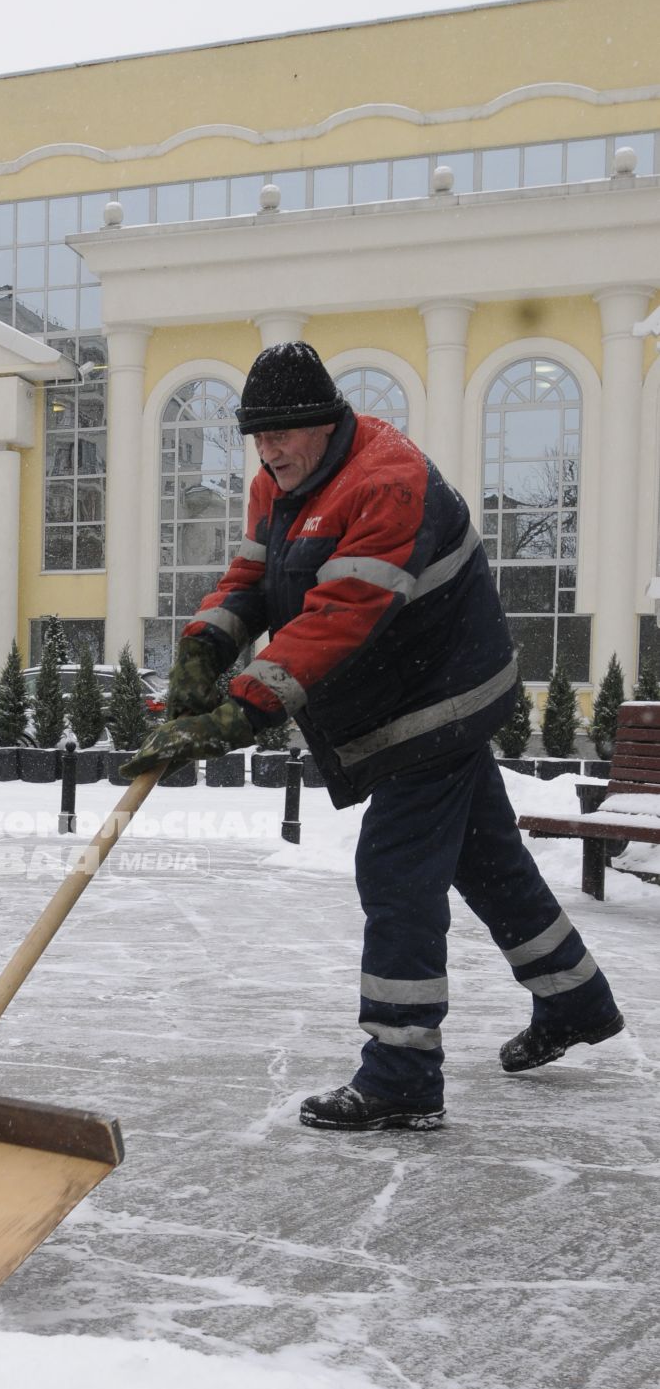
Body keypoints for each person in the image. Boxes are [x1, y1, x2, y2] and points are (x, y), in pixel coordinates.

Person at [124, 342, 623, 1131]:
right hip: (401, 693)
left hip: (438, 697)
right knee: (488, 863)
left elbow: (340, 613)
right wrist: (203, 645)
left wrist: (238, 711)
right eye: (257, 435)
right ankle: (576, 1002)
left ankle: (401, 1074)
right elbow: (252, 576)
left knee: (395, 875)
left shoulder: (387, 483)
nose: (268, 450)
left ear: (325, 423)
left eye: (281, 433)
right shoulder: (279, 481)